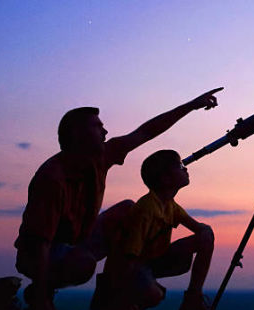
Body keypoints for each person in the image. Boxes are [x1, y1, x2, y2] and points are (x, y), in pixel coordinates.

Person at [14, 88, 223, 310]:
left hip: (77, 240)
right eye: (97, 126)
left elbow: (146, 132)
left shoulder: (100, 158)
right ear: (78, 135)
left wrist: (190, 106)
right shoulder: (52, 178)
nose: (105, 131)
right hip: (41, 253)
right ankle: (44, 288)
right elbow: (41, 243)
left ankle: (113, 289)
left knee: (127, 209)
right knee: (83, 264)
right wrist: (41, 297)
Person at [92, 150, 214, 310]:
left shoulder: (170, 206)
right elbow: (129, 257)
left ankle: (193, 297)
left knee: (206, 236)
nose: (185, 169)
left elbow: (202, 231)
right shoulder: (146, 209)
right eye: (179, 166)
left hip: (151, 260)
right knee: (152, 294)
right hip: (127, 266)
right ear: (165, 178)